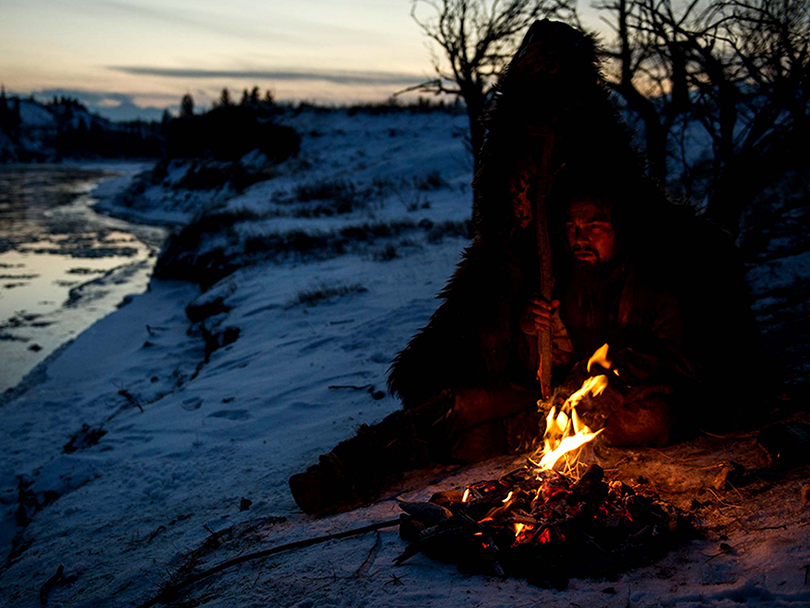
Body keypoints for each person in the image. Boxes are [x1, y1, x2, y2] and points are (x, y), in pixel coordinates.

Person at [289, 20, 762, 515]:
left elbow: (673, 354)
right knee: (456, 411)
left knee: (630, 421)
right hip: (538, 386)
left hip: (590, 398)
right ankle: (345, 469)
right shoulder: (543, 249)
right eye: (572, 228)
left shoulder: (646, 268)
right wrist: (528, 331)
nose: (581, 237)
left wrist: (587, 365)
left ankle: (513, 433)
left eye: (595, 225)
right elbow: (520, 295)